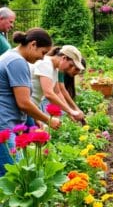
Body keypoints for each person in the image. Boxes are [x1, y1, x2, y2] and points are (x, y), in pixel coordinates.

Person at [0, 27, 60, 176]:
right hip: (3, 125)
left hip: (6, 122)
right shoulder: (17, 62)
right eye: (43, 52)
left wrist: (33, 118)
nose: (42, 58)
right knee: (14, 176)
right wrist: (48, 120)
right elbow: (24, 102)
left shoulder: (10, 56)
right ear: (33, 45)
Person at [29, 45, 85, 124]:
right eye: (70, 65)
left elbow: (57, 92)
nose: (69, 69)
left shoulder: (55, 69)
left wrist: (70, 112)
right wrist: (71, 111)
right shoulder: (46, 64)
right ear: (64, 58)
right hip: (28, 106)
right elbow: (48, 93)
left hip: (33, 107)